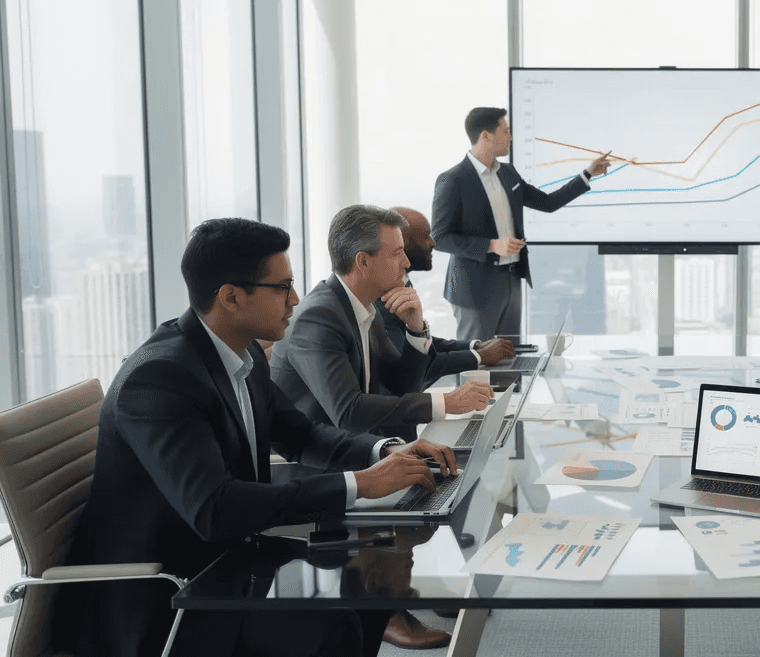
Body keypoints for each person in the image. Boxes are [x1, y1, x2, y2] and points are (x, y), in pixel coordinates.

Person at [61, 218, 460, 657]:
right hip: (168, 595)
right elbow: (214, 509)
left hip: (228, 560)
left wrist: (386, 450)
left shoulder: (242, 351)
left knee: (363, 591)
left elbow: (302, 434)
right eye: (282, 287)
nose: (294, 299)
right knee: (333, 621)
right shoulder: (160, 379)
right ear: (231, 296)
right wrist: (361, 483)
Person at [270, 205, 493, 442]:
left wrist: (415, 329)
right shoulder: (318, 317)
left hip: (362, 449)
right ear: (363, 262)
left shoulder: (366, 307)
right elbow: (349, 412)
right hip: (323, 467)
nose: (406, 263)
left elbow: (401, 388)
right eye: (397, 253)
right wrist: (446, 402)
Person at [431, 106, 611, 342]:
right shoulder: (453, 179)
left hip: (511, 281)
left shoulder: (508, 173)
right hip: (474, 289)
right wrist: (491, 245)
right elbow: (440, 238)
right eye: (505, 131)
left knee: (509, 359)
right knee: (476, 362)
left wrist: (586, 175)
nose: (510, 137)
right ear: (485, 135)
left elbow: (547, 203)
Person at [378, 206, 515, 388]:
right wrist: (479, 356)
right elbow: (406, 361)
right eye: (426, 235)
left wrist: (474, 346)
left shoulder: (402, 281)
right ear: (403, 243)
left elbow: (418, 342)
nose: (433, 243)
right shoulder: (383, 294)